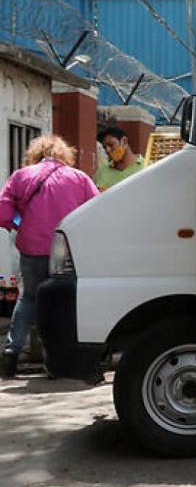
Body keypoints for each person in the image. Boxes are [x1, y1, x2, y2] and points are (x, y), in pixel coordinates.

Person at [0, 136, 99, 378]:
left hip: (31, 248)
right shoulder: (79, 178)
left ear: (35, 154)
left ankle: (11, 353)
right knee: (63, 303)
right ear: (64, 154)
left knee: (29, 298)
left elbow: (3, 213)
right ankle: (56, 363)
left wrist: (21, 224)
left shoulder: (21, 176)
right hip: (66, 249)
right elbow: (96, 210)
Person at [95, 126, 144, 191]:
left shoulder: (146, 167)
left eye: (111, 145)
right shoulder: (101, 172)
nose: (107, 150)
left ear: (124, 141)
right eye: (104, 147)